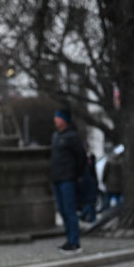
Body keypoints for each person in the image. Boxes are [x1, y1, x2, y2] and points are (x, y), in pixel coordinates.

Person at [49, 108, 87, 253]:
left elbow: (81, 158)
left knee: (70, 210)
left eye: (58, 118)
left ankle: (75, 241)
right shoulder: (56, 136)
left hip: (68, 179)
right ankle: (69, 239)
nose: (55, 120)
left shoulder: (72, 137)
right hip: (58, 178)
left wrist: (76, 174)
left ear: (64, 120)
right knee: (63, 210)